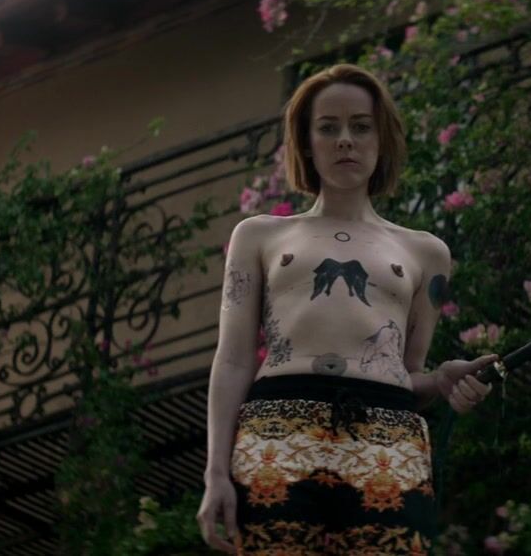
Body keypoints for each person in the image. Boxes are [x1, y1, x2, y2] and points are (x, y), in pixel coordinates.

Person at [197, 63, 496, 555]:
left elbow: (408, 372)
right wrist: (215, 473)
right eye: (327, 127)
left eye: (360, 127)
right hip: (276, 433)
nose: (344, 141)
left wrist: (442, 380)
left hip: (388, 438)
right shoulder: (258, 236)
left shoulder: (427, 253)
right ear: (306, 143)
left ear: (381, 141)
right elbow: (231, 359)